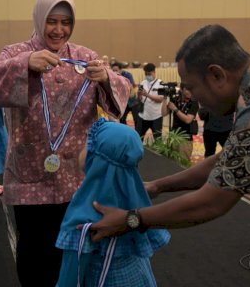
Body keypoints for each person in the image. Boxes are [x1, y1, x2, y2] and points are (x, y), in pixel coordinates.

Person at [90, 24, 250, 286]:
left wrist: (131, 219)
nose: (192, 96)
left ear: (217, 75)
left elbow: (212, 202)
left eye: (192, 87)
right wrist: (158, 186)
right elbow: (228, 159)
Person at [0, 0, 129, 286]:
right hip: (29, 173)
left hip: (75, 176)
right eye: (52, 21)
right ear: (39, 18)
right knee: (34, 249)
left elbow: (120, 90)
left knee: (74, 245)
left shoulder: (86, 56)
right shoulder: (17, 53)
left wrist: (106, 78)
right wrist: (25, 64)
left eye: (66, 22)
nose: (59, 30)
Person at [56, 119, 170, 287]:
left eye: (88, 145)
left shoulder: (84, 212)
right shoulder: (135, 200)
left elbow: (71, 275)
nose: (82, 148)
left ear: (97, 160)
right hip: (139, 278)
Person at [161, 84, 199, 158]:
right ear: (181, 89)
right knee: (171, 162)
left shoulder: (194, 102)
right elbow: (163, 113)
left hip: (185, 138)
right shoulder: (175, 99)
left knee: (183, 164)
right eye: (188, 89)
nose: (190, 92)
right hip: (174, 136)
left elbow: (188, 120)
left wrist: (175, 109)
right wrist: (164, 99)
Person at [136, 63, 165, 139]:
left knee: (158, 139)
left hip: (156, 116)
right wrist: (139, 94)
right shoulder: (143, 83)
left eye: (149, 74)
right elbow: (139, 100)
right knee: (138, 137)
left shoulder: (161, 84)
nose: (148, 76)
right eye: (146, 74)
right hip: (143, 116)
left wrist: (147, 95)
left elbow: (160, 99)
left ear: (154, 72)